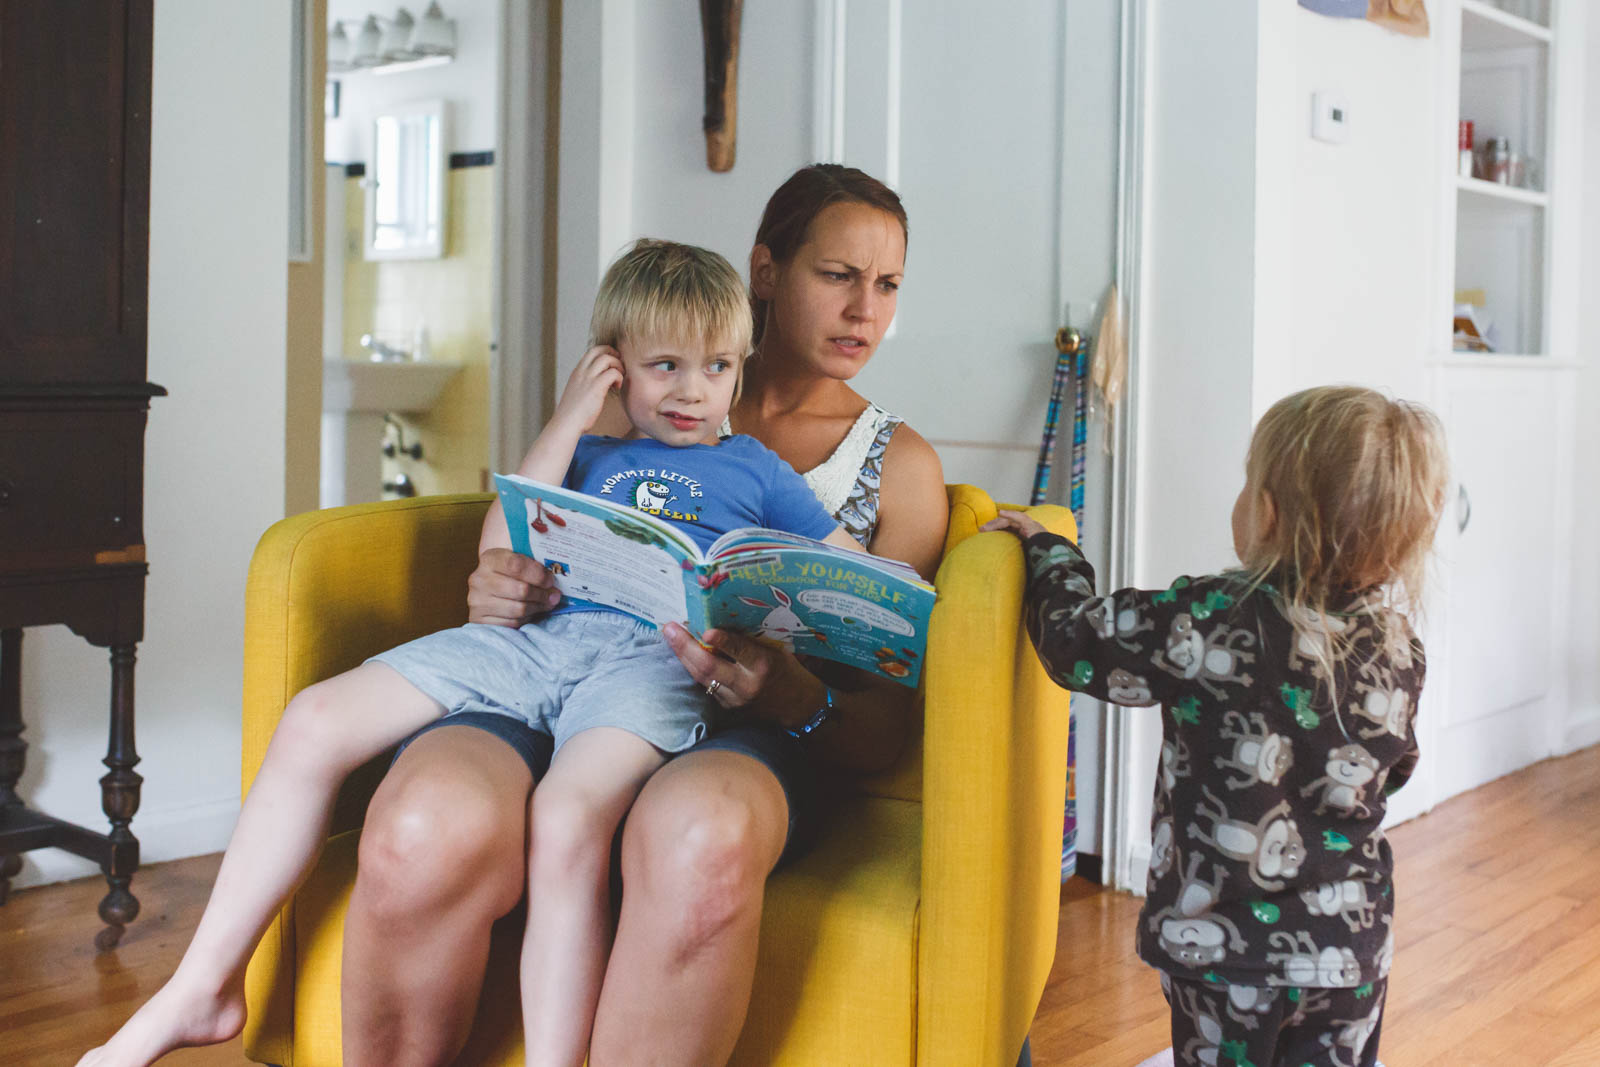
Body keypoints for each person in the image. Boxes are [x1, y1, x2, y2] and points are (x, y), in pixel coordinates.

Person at [77, 238, 869, 1067]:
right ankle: (202, 985)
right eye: (663, 365)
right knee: (313, 720)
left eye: (715, 367)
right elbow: (497, 552)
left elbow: (850, 572)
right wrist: (570, 415)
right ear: (615, 367)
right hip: (536, 643)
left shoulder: (759, 469)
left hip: (657, 661)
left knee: (568, 815)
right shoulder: (586, 455)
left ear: (739, 371)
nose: (690, 389)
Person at [338, 163, 948, 1066]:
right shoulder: (629, 417)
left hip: (737, 730)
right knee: (424, 823)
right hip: (554, 674)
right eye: (838, 275)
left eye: (888, 284)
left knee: (695, 839)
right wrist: (499, 587)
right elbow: (513, 538)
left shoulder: (898, 467)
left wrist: (787, 695)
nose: (866, 309)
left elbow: (882, 725)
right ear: (767, 272)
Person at [984, 386, 1448, 1067]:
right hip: (1348, 955)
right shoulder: (1400, 646)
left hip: (1224, 955)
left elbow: (1075, 640)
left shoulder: (1210, 620)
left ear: (1264, 511)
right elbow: (1394, 767)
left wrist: (1049, 552)